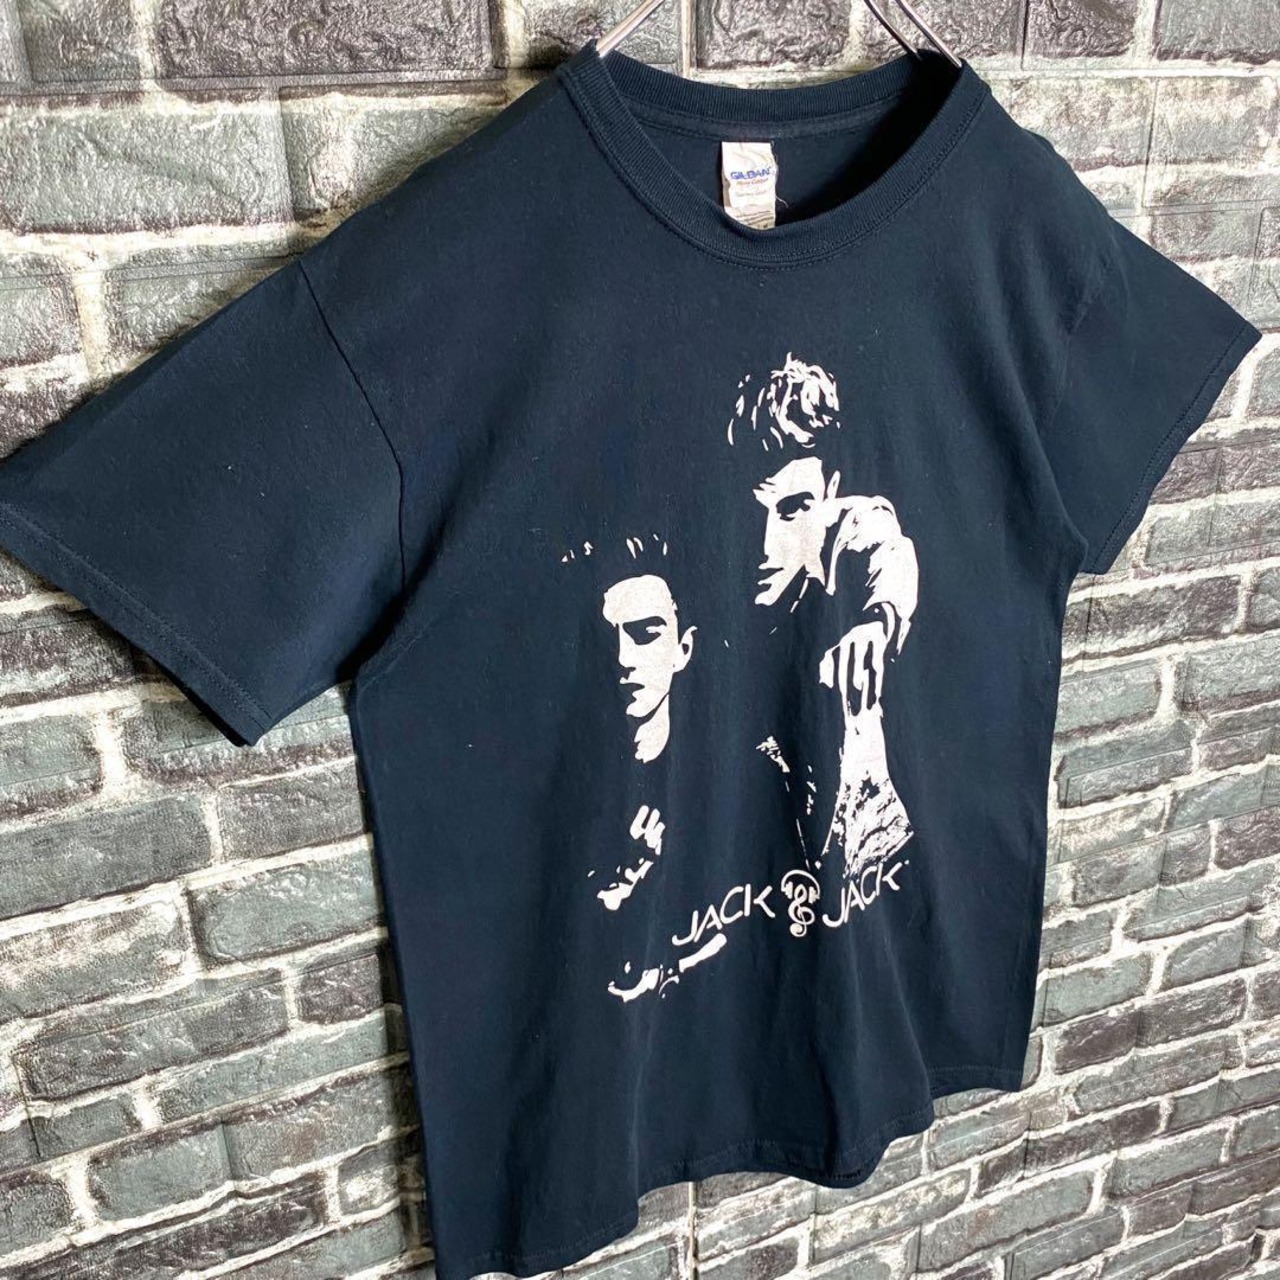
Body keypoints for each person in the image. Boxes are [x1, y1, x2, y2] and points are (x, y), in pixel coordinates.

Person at [730, 355, 918, 882]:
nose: (766, 545)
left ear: (831, 492)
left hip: (862, 844)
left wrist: (877, 622)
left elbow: (887, 545)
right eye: (749, 511)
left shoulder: (850, 523)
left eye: (793, 509)